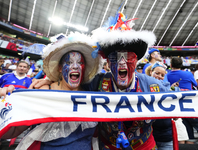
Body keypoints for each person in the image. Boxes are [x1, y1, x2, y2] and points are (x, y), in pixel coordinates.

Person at [30, 11, 171, 150]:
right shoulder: (96, 82)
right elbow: (70, 81)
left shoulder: (155, 87)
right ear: (108, 63)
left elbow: (167, 122)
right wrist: (50, 80)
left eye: (128, 58)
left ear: (136, 62)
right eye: (115, 58)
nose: (122, 64)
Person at [1, 32, 100, 150]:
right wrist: (3, 102)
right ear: (59, 68)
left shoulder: (92, 91)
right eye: (68, 62)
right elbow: (12, 131)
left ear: (84, 68)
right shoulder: (43, 92)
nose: (75, 66)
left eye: (80, 63)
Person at [145, 61, 189, 148]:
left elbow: (176, 116)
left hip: (166, 137)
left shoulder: (167, 89)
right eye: (157, 73)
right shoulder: (142, 87)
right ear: (151, 72)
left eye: (162, 75)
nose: (159, 77)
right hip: (148, 137)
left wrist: (174, 91)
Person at [167, 57, 198, 144]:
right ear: (182, 65)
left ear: (171, 65)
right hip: (190, 104)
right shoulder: (188, 74)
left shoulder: (167, 75)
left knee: (187, 129)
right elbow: (196, 84)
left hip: (176, 105)